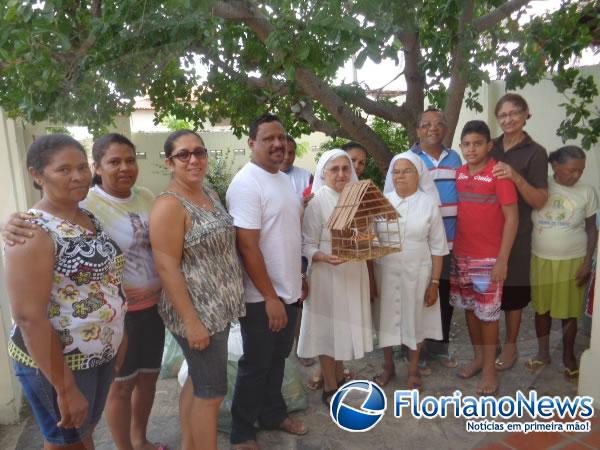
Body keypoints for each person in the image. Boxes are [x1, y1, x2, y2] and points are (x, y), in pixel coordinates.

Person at [3, 134, 167, 450]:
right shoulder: (33, 231)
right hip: (59, 364)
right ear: (36, 175)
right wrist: (64, 388)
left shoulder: (86, 215)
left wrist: (118, 337)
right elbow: (28, 317)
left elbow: (105, 282)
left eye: (80, 167)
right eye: (63, 170)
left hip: (97, 355)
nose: (77, 176)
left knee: (80, 436)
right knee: (69, 442)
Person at [149, 130, 245, 450]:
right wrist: (191, 321)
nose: (194, 160)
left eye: (199, 152)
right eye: (184, 155)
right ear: (169, 163)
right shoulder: (169, 206)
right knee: (212, 393)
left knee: (197, 382)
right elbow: (166, 267)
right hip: (198, 314)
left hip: (218, 309)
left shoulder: (209, 193)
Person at [227, 114, 306, 450]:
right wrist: (270, 297)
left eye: (281, 137)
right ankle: (242, 432)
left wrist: (298, 279)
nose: (277, 144)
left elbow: (286, 235)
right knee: (256, 365)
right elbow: (247, 246)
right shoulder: (247, 183)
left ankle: (273, 415)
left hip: (288, 289)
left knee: (276, 360)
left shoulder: (282, 179)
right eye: (268, 138)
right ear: (251, 144)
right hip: (262, 297)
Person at [297, 149, 372, 404]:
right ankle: (330, 386)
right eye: (334, 169)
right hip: (327, 275)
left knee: (342, 329)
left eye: (345, 168)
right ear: (323, 173)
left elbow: (365, 236)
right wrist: (323, 257)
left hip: (352, 273)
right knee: (327, 332)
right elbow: (306, 243)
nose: (341, 174)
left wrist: (366, 241)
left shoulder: (358, 199)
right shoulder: (317, 201)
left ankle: (339, 378)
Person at [451, 121, 518, 395]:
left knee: (488, 316)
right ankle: (478, 358)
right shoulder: (458, 174)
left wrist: (502, 260)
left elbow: (512, 218)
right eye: (466, 144)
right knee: (470, 309)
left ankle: (490, 369)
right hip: (461, 256)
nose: (471, 149)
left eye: (477, 143)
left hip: (488, 260)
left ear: (489, 146)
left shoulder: (498, 174)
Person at [373, 151, 449, 391]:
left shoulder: (429, 205)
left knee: (416, 319)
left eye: (407, 171)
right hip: (385, 270)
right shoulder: (381, 202)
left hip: (419, 271)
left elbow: (438, 247)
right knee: (386, 319)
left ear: (419, 175)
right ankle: (388, 366)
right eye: (396, 171)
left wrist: (435, 283)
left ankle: (414, 370)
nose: (400, 176)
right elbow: (371, 239)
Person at [528, 146, 598, 381]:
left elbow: (591, 228)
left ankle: (569, 356)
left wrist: (588, 262)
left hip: (573, 261)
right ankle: (542, 353)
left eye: (581, 170)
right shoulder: (541, 185)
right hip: (541, 259)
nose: (577, 175)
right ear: (556, 167)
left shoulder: (587, 192)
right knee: (542, 309)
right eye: (572, 170)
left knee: (569, 313)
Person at [490, 93, 549, 371]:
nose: (508, 119)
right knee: (487, 290)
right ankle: (489, 344)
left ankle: (511, 344)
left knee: (513, 292)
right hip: (487, 232)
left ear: (526, 114)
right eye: (502, 115)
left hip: (520, 233)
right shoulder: (490, 147)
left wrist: (515, 176)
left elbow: (539, 200)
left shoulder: (535, 152)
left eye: (514, 113)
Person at [410, 108, 462, 368]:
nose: (433, 128)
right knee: (418, 293)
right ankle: (413, 349)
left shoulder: (454, 158)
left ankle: (439, 347)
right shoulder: (409, 159)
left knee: (444, 294)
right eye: (426, 124)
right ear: (418, 129)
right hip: (420, 245)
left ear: (446, 129)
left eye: (439, 124)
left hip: (450, 243)